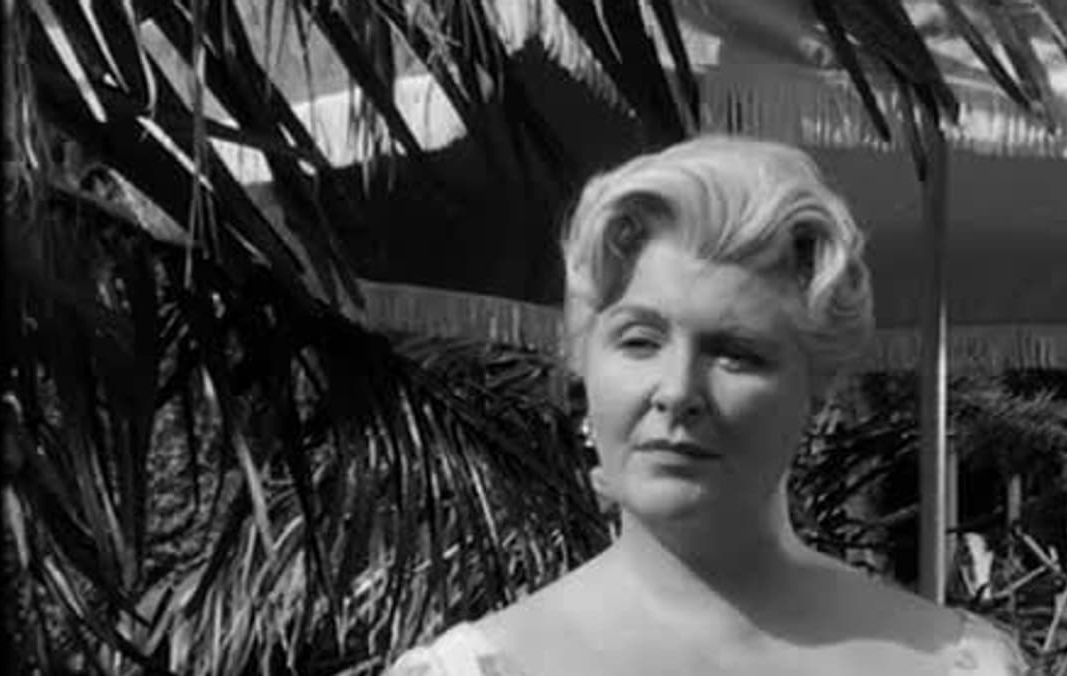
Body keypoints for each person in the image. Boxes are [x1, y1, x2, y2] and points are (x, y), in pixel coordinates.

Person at [386, 136, 1027, 676]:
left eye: (735, 354)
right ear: (584, 363)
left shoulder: (958, 665)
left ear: (817, 388)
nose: (677, 391)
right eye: (639, 341)